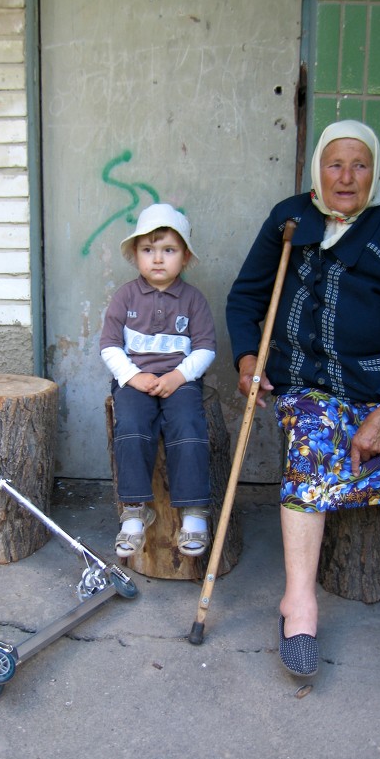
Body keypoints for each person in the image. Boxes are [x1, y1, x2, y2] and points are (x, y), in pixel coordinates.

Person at [226, 120, 380, 676]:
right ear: (317, 171)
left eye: (360, 165)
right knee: (310, 444)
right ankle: (298, 605)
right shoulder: (290, 218)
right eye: (335, 164)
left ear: (375, 172)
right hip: (312, 387)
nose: (346, 177)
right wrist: (247, 360)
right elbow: (245, 298)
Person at [101, 203, 216, 559]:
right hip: (136, 383)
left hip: (180, 382)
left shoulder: (193, 300)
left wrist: (179, 376)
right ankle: (134, 511)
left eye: (169, 250)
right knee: (132, 425)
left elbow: (206, 348)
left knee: (187, 423)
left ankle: (194, 512)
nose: (158, 259)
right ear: (135, 254)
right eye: (148, 250)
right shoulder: (126, 297)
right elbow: (108, 346)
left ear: (185, 257)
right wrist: (133, 377)